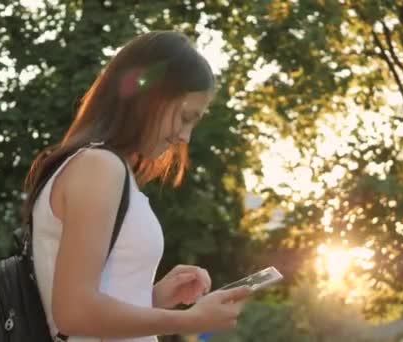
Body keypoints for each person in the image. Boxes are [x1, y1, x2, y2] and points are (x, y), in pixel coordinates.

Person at [22, 31, 252, 342]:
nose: (185, 137)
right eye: (185, 117)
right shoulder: (99, 166)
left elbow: (89, 315)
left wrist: (154, 296)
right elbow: (73, 313)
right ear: (149, 98)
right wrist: (188, 320)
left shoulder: (105, 168)